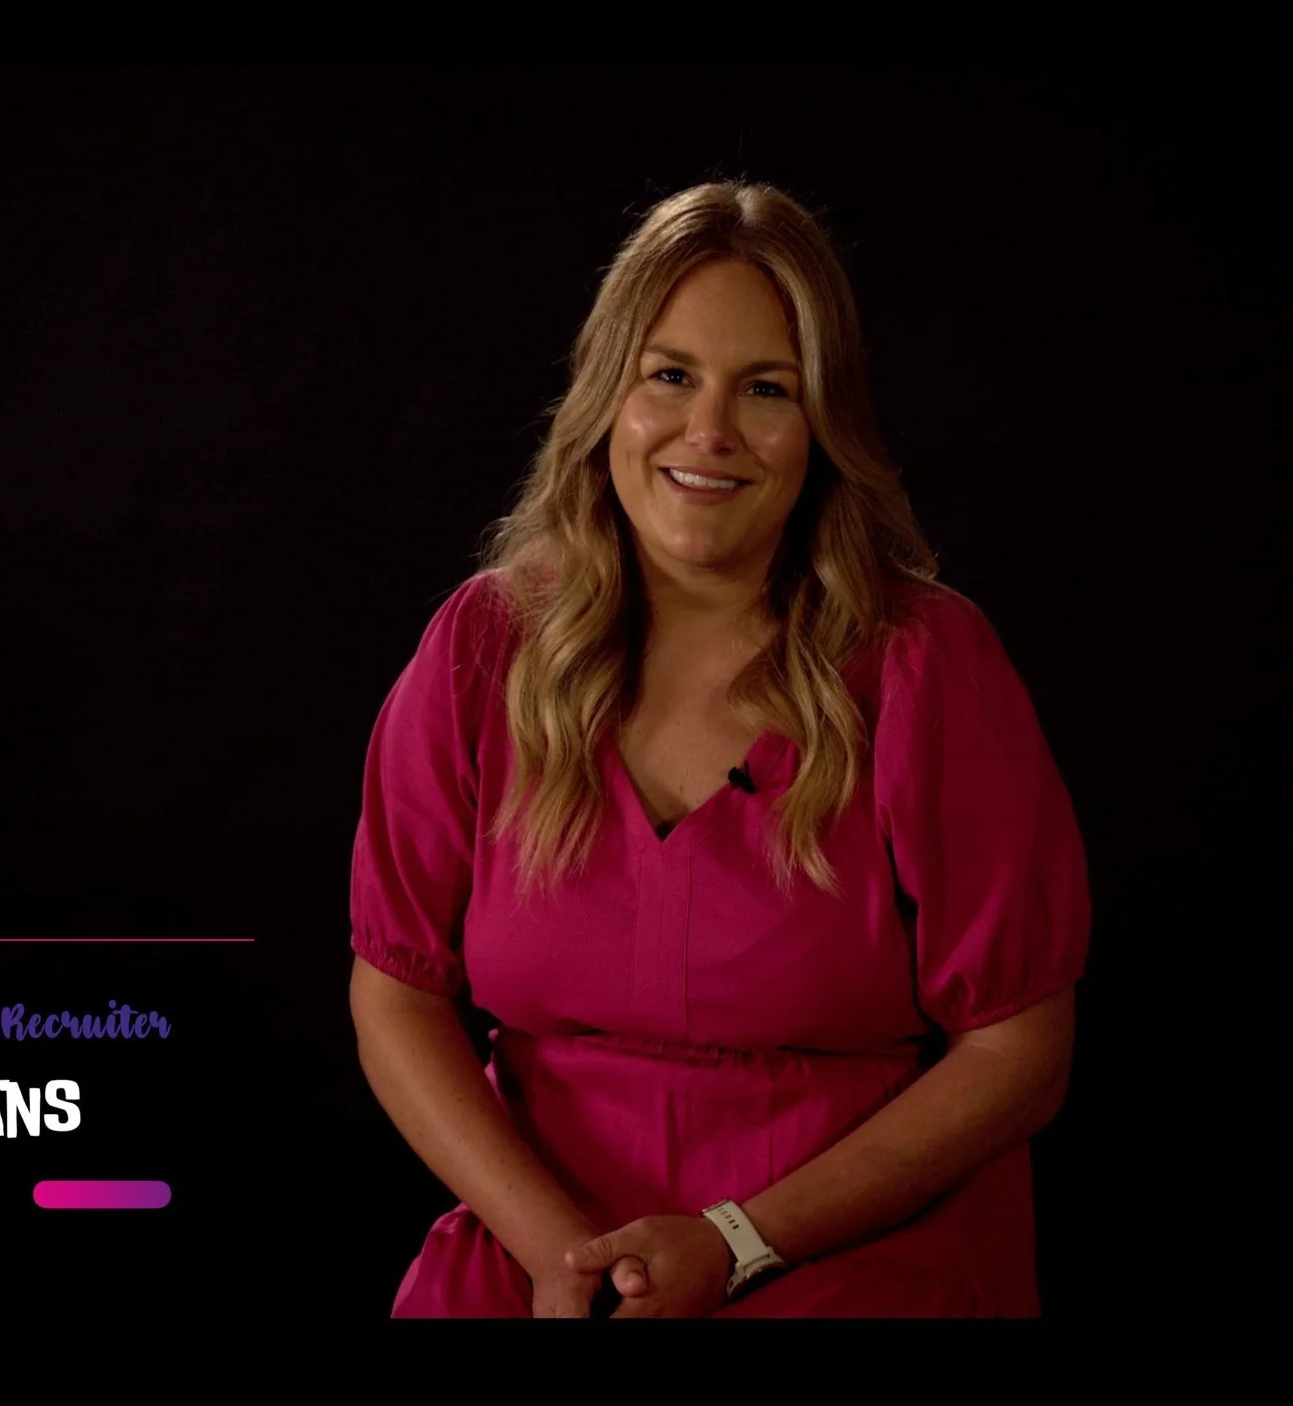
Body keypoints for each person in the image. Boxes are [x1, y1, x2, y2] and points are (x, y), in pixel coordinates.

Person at [347, 181, 1090, 1318]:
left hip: (850, 1253)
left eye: (766, 390)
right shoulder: (481, 647)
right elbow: (395, 989)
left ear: (821, 426)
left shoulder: (924, 662)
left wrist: (736, 1242)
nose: (709, 434)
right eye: (671, 375)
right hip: (544, 1244)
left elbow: (1019, 1047)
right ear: (608, 397)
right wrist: (557, 1250)